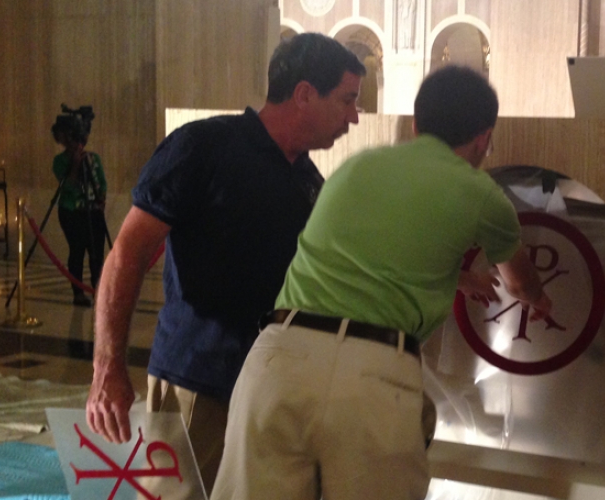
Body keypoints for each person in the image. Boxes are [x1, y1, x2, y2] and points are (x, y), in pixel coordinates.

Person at [210, 65, 552, 500]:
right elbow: (520, 285)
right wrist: (541, 300)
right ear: (484, 137)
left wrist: (458, 278)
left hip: (276, 358)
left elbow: (365, 257)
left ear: (416, 123)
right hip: (371, 378)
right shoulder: (482, 194)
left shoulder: (358, 166)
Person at [85, 33, 365, 495]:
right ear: (304, 94)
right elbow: (128, 252)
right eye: (347, 100)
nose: (354, 117)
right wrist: (107, 367)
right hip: (198, 382)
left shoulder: (307, 179)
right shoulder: (203, 147)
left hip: (273, 389)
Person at [51, 114, 108, 307]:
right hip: (71, 213)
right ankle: (78, 293)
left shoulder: (93, 159)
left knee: (96, 253)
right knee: (77, 251)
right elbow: (70, 185)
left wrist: (101, 201)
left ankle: (98, 291)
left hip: (93, 211)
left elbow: (101, 183)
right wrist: (75, 162)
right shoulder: (59, 161)